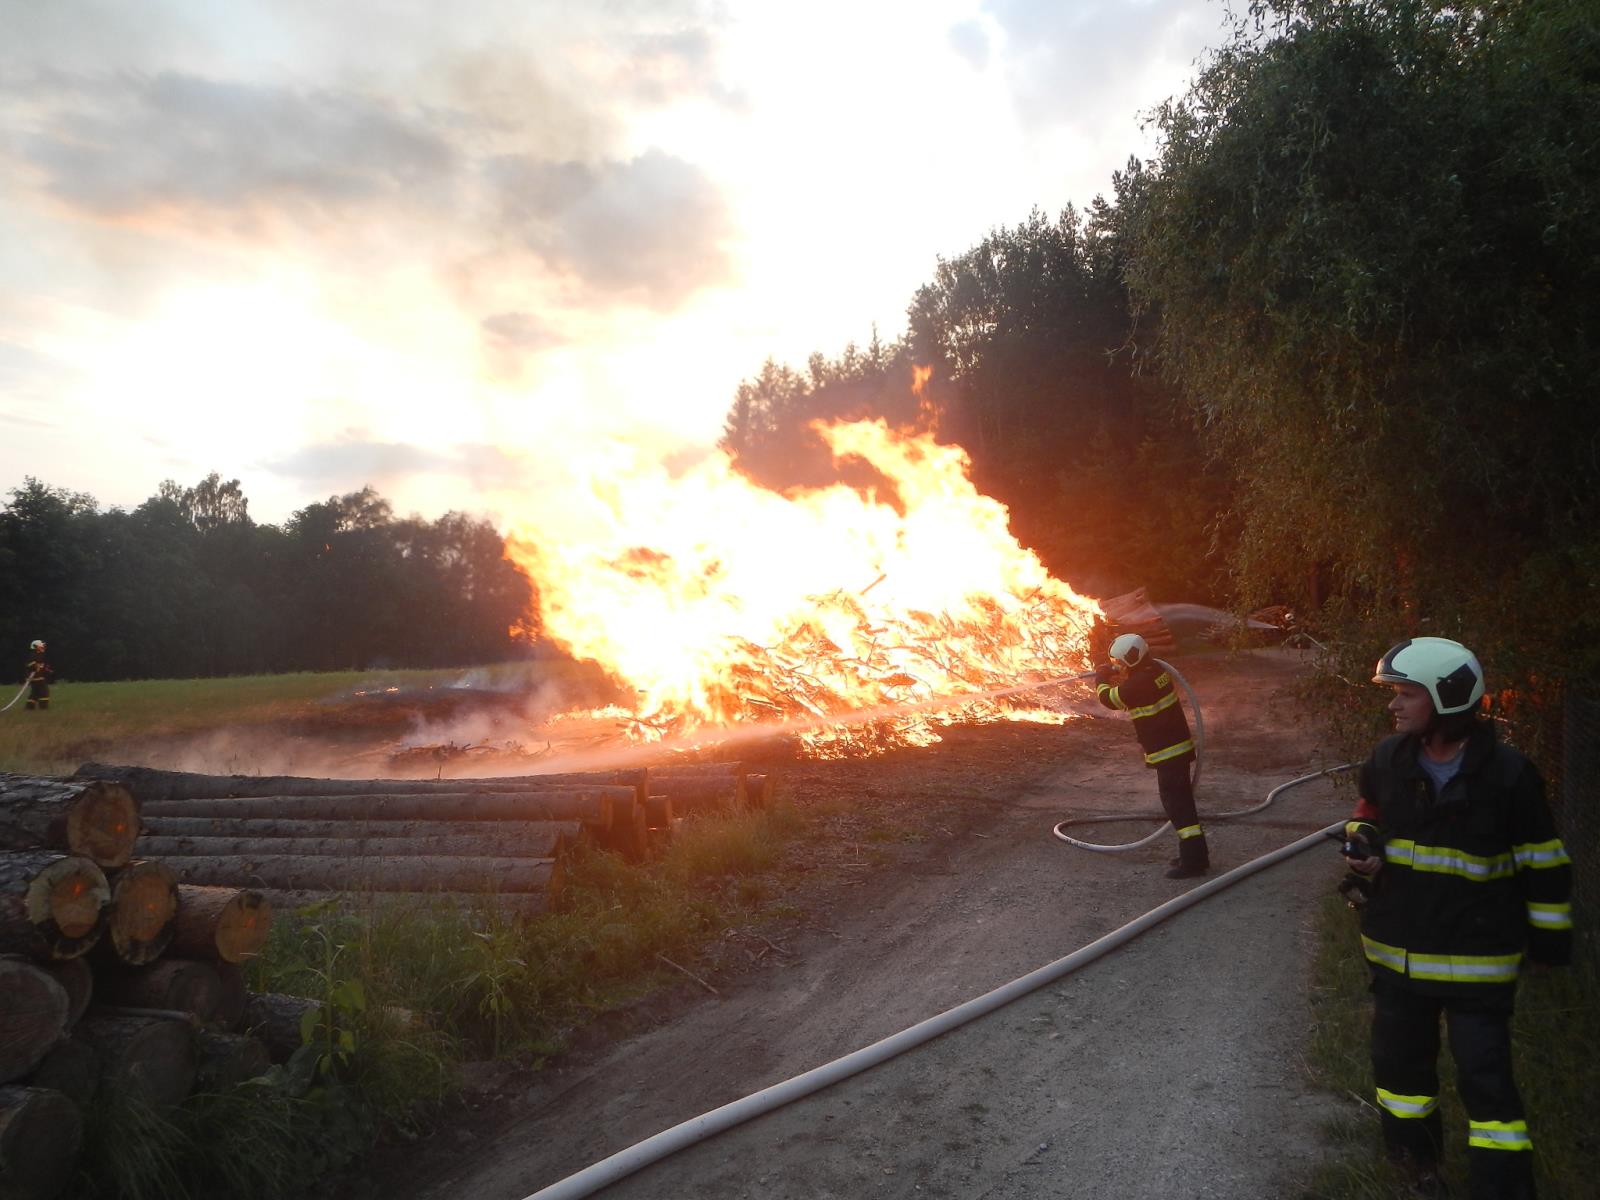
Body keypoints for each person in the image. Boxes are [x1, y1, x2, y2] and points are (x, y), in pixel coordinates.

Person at [1344, 637, 1571, 1199]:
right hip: (1399, 957)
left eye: (1406, 694)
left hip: (1477, 962)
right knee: (1400, 1073)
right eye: (1394, 693)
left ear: (1448, 697)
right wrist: (1363, 844)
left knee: (1486, 1079)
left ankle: (1501, 1186)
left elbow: (1543, 864)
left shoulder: (1509, 776)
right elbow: (1366, 815)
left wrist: (1548, 945)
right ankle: (1415, 1165)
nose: (1393, 705)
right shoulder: (1387, 760)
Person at [1093, 632, 1208, 879]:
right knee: (1182, 805)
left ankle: (1194, 863)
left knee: (1178, 807)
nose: (1118, 666)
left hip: (1168, 753)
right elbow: (1132, 686)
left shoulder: (1138, 684)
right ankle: (1194, 855)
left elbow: (1109, 699)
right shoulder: (1155, 671)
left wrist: (1101, 678)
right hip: (1175, 749)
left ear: (1131, 659)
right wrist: (1115, 672)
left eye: (1119, 662)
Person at [24, 639, 54, 712]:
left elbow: (41, 666)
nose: (43, 648)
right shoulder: (33, 655)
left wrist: (47, 670)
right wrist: (35, 666)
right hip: (36, 677)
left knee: (35, 693)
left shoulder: (39, 655)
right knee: (44, 692)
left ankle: (29, 707)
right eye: (41, 646)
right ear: (35, 647)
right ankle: (43, 707)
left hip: (38, 677)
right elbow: (29, 664)